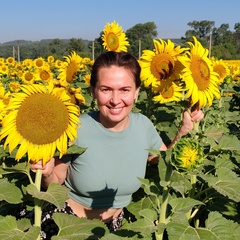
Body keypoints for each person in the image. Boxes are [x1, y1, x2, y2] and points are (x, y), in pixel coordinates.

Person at [30, 51, 204, 239]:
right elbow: (56, 180)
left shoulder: (143, 125)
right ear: (93, 91)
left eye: (124, 90)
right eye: (106, 89)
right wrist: (47, 173)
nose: (115, 100)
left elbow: (163, 160)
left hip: (115, 227)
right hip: (67, 224)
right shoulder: (75, 128)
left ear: (137, 91)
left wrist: (184, 131)